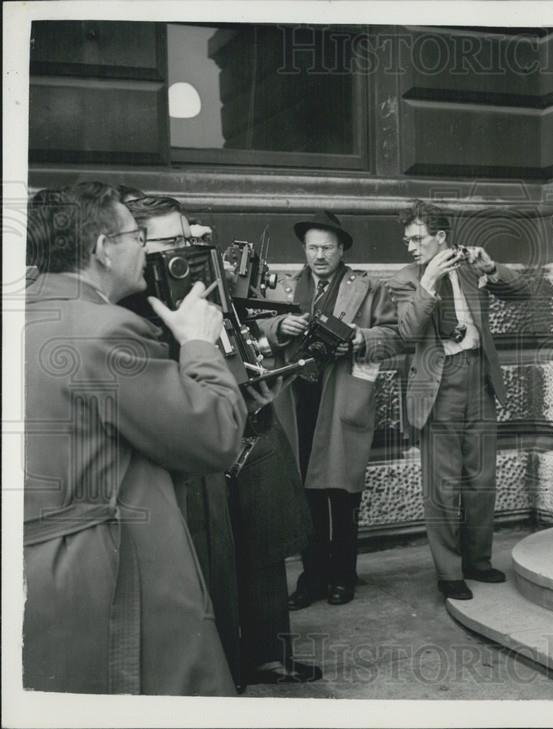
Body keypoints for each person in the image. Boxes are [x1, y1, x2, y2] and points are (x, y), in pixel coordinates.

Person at [23, 182, 244, 694]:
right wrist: (199, 345)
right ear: (103, 248)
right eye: (136, 236)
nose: (144, 249)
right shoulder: (107, 332)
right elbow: (216, 435)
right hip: (116, 575)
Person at [127, 196, 320, 686]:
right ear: (136, 243)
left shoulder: (203, 279)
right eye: (175, 242)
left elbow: (244, 326)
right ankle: (227, 666)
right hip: (202, 445)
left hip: (251, 424)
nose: (187, 250)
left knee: (265, 546)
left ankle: (269, 656)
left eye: (190, 239)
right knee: (214, 561)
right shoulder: (134, 309)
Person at [388, 200, 531, 601]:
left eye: (418, 239)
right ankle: (449, 572)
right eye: (407, 240)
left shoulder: (470, 269)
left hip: (478, 379)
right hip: (439, 384)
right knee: (443, 484)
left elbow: (523, 292)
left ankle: (478, 562)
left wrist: (490, 268)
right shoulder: (404, 279)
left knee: (481, 479)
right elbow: (406, 333)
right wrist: (428, 284)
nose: (411, 247)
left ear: (441, 237)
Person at [264, 211, 403, 610]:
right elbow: (258, 325)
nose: (319, 255)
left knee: (341, 493)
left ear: (342, 249)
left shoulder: (367, 287)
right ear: (304, 250)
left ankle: (343, 576)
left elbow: (394, 337)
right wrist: (279, 328)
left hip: (341, 394)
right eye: (312, 247)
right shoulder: (285, 286)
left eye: (327, 247)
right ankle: (312, 579)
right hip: (296, 399)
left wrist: (360, 339)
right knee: (304, 491)